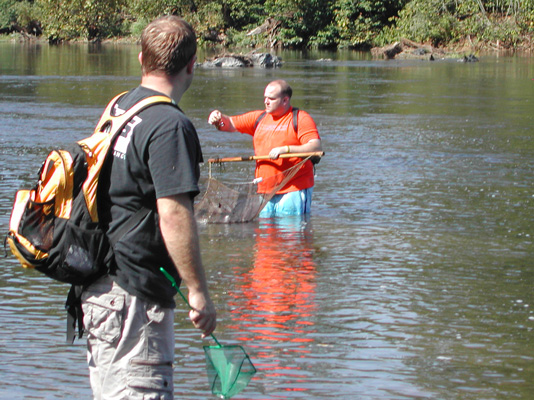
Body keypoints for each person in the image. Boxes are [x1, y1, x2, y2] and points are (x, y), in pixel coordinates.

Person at [81, 16, 216, 400]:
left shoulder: (119, 107)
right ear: (192, 65)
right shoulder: (170, 124)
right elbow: (173, 213)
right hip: (135, 298)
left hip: (100, 289)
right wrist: (198, 292)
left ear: (141, 59)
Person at [208, 80, 322, 217]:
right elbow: (230, 123)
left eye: (271, 99)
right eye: (265, 97)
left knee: (291, 236)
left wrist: (285, 149)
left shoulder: (300, 118)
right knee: (266, 235)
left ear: (285, 100)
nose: (266, 101)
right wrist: (218, 118)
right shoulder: (259, 117)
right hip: (264, 190)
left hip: (293, 189)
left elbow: (315, 147)